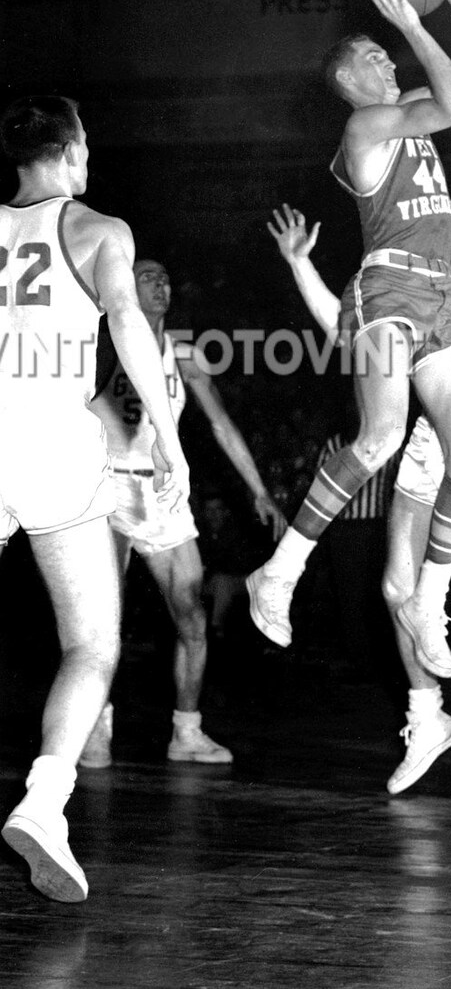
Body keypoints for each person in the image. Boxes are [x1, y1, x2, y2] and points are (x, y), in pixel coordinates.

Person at [269, 2, 451, 807]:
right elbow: (348, 324)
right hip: (426, 441)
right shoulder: (411, 252)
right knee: (396, 591)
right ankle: (427, 715)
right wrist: (304, 270)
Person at [247, 0, 451, 682]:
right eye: (374, 56)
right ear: (346, 80)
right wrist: (413, 22)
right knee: (383, 435)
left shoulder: (412, 116)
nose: (389, 60)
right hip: (386, 290)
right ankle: (283, 569)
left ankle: (430, 601)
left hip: (441, 297)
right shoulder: (365, 129)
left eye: (387, 53)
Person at [0, 95, 191, 903]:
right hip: (52, 439)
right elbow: (126, 320)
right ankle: (46, 804)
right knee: (91, 646)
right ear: (73, 149)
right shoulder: (97, 229)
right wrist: (169, 440)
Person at [84, 260, 287, 768]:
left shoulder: (186, 356)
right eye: (148, 275)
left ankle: (186, 731)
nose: (162, 284)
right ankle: (91, 726)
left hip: (161, 494)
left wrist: (258, 488)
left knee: (193, 617)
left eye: (166, 278)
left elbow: (221, 425)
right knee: (100, 621)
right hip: (106, 489)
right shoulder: (96, 344)